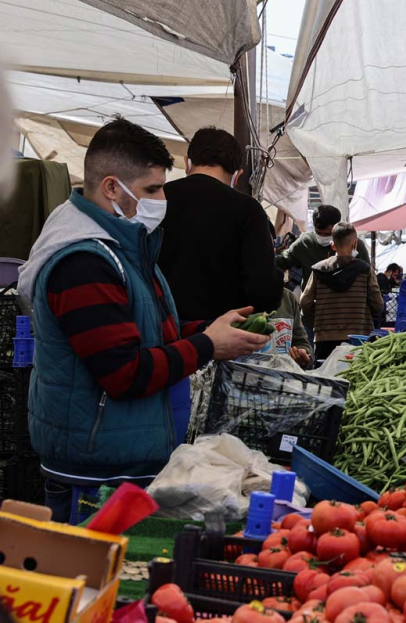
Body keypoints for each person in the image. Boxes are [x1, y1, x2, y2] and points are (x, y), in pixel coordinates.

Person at [16, 118, 268, 522]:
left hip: (118, 460)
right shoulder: (83, 262)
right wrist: (207, 345)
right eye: (151, 189)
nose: (160, 199)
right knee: (87, 578)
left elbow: (143, 332)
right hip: (94, 470)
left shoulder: (123, 248)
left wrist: (208, 329)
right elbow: (124, 372)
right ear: (112, 187)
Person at [158, 127, 283, 321]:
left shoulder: (157, 198)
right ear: (238, 175)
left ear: (187, 163)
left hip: (159, 330)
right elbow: (263, 290)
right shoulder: (249, 210)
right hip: (223, 336)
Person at [301, 222, 383, 361]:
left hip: (325, 339)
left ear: (333, 245)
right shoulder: (365, 270)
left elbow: (305, 302)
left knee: (325, 378)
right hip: (359, 339)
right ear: (355, 244)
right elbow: (378, 305)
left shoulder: (318, 269)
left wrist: (322, 315)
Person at [276, 205, 371, 288]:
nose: (322, 237)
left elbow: (369, 276)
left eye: (327, 234)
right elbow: (282, 261)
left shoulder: (355, 245)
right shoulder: (305, 243)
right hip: (313, 304)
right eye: (319, 233)